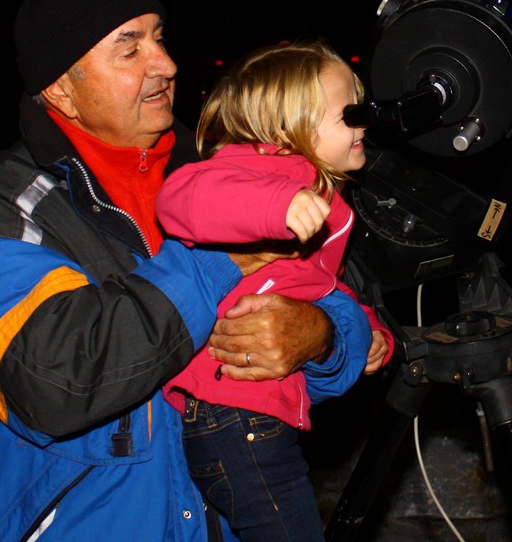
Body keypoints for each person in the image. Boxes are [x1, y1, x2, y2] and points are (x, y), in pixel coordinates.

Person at [0, 0, 373, 542]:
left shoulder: (230, 168)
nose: (164, 63)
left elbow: (353, 298)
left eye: (160, 39)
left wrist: (321, 335)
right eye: (130, 48)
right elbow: (57, 382)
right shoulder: (5, 208)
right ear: (61, 88)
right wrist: (223, 260)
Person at [156, 41, 395, 541]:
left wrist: (367, 327)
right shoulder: (261, 170)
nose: (363, 123)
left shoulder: (319, 193)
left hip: (255, 412)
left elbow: (316, 286)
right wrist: (276, 204)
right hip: (234, 411)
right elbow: (181, 198)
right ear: (287, 129)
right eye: (348, 114)